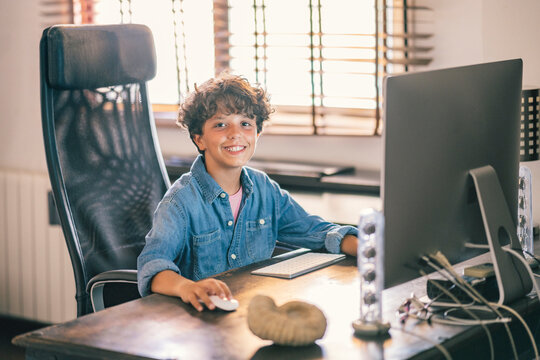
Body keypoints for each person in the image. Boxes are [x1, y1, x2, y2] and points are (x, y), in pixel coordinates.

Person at [137, 73, 358, 311]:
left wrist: (367, 249)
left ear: (257, 134)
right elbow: (153, 264)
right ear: (199, 139)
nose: (235, 133)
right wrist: (187, 287)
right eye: (220, 124)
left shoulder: (265, 190)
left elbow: (317, 232)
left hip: (250, 311)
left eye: (245, 124)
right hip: (198, 317)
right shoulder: (180, 201)